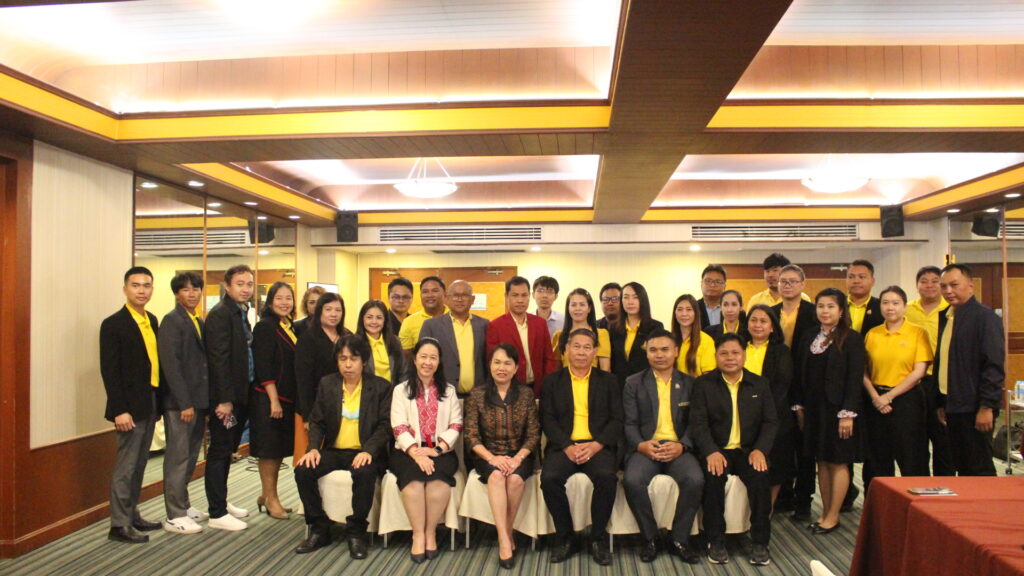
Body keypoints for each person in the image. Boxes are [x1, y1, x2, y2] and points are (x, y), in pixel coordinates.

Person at [293, 335, 392, 559]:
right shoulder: (328, 384)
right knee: (303, 470)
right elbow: (317, 421)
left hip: (364, 451)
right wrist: (313, 448)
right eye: (342, 358)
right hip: (334, 451)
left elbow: (385, 426)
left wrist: (368, 450)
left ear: (363, 361)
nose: (348, 364)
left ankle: (356, 531)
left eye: (353, 359)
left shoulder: (380, 387)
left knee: (365, 472)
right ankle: (319, 527)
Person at [690, 333, 777, 566]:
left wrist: (760, 450)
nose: (730, 358)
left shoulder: (760, 384)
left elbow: (770, 422)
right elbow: (698, 423)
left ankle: (760, 542)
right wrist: (710, 451)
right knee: (713, 478)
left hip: (749, 450)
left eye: (735, 353)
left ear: (744, 356)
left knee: (760, 477)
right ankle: (716, 541)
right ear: (716, 356)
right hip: (717, 449)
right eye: (724, 353)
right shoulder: (703, 384)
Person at [540, 329, 622, 565]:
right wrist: (567, 446)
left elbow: (617, 420)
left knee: (607, 477)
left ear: (595, 352)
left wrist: (596, 445)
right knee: (549, 479)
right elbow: (547, 419)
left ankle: (597, 538)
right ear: (566, 350)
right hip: (564, 446)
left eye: (587, 347)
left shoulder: (608, 381)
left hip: (597, 446)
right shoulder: (552, 381)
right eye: (576, 346)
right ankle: (566, 537)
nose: (581, 352)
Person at [622, 328, 703, 564]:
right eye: (653, 350)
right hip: (646, 446)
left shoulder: (690, 383)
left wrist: (682, 446)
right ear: (646, 353)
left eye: (665, 349)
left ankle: (680, 538)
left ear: (676, 351)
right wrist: (641, 445)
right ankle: (650, 538)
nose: (659, 355)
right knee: (632, 480)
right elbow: (629, 423)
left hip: (678, 448)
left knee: (695, 479)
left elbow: (695, 423)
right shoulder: (633, 383)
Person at [792, 288, 865, 535]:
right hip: (814, 409)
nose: (825, 311)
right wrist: (799, 406)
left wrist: (848, 413)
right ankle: (824, 512)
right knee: (821, 460)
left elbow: (855, 378)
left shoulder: (852, 338)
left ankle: (833, 516)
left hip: (838, 411)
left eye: (831, 306)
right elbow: (800, 373)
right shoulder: (809, 336)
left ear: (841, 310)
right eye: (821, 306)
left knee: (838, 461)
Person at [100, 267, 163, 544]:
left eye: (146, 286)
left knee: (140, 463)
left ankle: (132, 514)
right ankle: (119, 524)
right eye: (136, 285)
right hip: (128, 407)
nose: (141, 290)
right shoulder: (113, 324)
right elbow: (110, 372)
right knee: (126, 466)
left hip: (150, 400)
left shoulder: (151, 320)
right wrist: (119, 410)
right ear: (125, 289)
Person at [463, 344, 540, 570]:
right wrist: (492, 459)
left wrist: (518, 458)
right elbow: (471, 435)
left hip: (519, 454)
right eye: (497, 362)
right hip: (487, 455)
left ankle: (505, 532)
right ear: (490, 365)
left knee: (515, 479)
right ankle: (505, 539)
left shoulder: (526, 394)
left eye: (507, 363)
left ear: (516, 368)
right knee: (497, 477)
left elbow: (534, 434)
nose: (501, 368)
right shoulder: (477, 394)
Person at [390, 338, 463, 563]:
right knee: (413, 479)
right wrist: (415, 453)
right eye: (423, 356)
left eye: (433, 358)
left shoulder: (449, 391)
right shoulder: (400, 390)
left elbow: (456, 424)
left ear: (439, 362)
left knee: (437, 481)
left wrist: (438, 450)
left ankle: (430, 532)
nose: (427, 362)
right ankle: (418, 535)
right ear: (414, 359)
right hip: (407, 452)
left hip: (440, 451)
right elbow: (398, 426)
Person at [935, 263, 1005, 476]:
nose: (948, 291)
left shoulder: (985, 317)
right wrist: (941, 402)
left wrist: (987, 406)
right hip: (952, 404)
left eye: (954, 285)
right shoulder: (947, 316)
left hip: (974, 407)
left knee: (979, 468)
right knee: (962, 466)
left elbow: (993, 365)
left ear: (971, 286)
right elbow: (944, 362)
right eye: (944, 286)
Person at [204, 264, 257, 531]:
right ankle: (216, 512)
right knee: (220, 450)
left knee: (228, 450)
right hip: (226, 401)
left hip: (241, 395)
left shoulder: (240, 312)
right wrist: (224, 401)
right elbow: (218, 361)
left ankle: (222, 502)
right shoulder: (220, 315)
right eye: (240, 284)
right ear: (227, 286)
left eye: (249, 284)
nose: (245, 289)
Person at [862, 286, 933, 485]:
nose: (890, 307)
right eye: (885, 303)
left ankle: (916, 500)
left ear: (904, 306)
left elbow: (919, 371)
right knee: (876, 458)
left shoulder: (917, 333)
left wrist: (889, 396)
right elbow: (863, 370)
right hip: (875, 399)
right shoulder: (872, 334)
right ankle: (878, 502)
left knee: (911, 455)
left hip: (907, 399)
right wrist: (876, 397)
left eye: (895, 303)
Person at [157, 271, 209, 535]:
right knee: (177, 458)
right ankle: (174, 514)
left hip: (198, 401)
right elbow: (171, 366)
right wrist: (184, 403)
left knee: (190, 457)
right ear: (177, 293)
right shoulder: (171, 320)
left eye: (196, 289)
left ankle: (184, 505)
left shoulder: (196, 319)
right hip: (180, 404)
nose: (192, 294)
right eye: (186, 289)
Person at [771, 264, 819, 521]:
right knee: (780, 445)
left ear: (802, 284)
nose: (787, 285)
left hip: (804, 385)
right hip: (777, 387)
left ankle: (803, 501)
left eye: (792, 281)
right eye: (783, 281)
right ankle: (783, 496)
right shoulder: (771, 312)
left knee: (804, 448)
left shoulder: (813, 313)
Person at [250, 281, 298, 520]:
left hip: (285, 398)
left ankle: (267, 494)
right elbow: (264, 365)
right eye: (279, 298)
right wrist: (274, 400)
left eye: (288, 298)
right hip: (269, 399)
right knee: (269, 451)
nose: (284, 302)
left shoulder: (288, 326)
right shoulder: (265, 327)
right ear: (269, 302)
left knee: (278, 450)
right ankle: (271, 499)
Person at [743, 305, 794, 509]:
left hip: (773, 417)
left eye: (763, 321)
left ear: (773, 327)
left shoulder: (781, 351)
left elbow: (781, 386)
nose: (758, 325)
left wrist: (760, 412)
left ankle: (766, 512)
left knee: (774, 468)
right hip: (740, 417)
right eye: (753, 320)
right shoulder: (738, 348)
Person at [904, 265, 954, 476]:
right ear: (917, 285)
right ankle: (919, 484)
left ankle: (945, 483)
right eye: (924, 281)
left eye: (935, 281)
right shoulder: (907, 309)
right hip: (913, 382)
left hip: (941, 381)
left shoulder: (950, 310)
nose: (929, 285)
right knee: (915, 440)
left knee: (943, 438)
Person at [486, 276, 557, 394]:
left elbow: (548, 358)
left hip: (539, 388)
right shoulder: (496, 326)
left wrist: (547, 385)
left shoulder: (540, 323)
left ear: (529, 296)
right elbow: (492, 362)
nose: (520, 300)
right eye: (515, 295)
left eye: (524, 295)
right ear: (506, 296)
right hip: (509, 390)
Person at [420, 280, 489, 396]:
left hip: (478, 396)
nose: (460, 299)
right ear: (446, 298)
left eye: (464, 295)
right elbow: (423, 362)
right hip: (442, 395)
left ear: (472, 299)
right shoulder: (431, 326)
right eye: (455, 295)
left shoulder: (484, 325)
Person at [295, 292, 350, 421]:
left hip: (345, 405)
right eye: (328, 309)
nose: (334, 314)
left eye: (338, 310)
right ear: (319, 311)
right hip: (316, 404)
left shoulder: (348, 337)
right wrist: (307, 416)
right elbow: (303, 380)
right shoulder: (307, 339)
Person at [609, 282, 665, 386]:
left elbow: (658, 360)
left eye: (635, 297)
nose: (630, 302)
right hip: (619, 385)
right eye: (626, 297)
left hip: (645, 385)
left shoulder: (655, 327)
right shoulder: (613, 328)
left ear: (643, 300)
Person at [552, 288, 612, 372]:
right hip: (566, 380)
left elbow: (605, 370)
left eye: (582, 305)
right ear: (568, 308)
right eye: (573, 305)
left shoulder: (600, 334)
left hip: (593, 380)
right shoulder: (559, 335)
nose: (577, 308)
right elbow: (556, 370)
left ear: (589, 308)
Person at [356, 299, 406, 385]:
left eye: (379, 318)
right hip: (366, 391)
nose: (374, 322)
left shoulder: (395, 341)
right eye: (369, 317)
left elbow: (403, 372)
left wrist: (399, 391)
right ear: (362, 319)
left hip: (392, 391)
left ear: (385, 320)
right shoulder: (355, 343)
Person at [670, 294, 716, 378]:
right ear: (675, 314)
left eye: (689, 309)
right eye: (680, 309)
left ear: (695, 313)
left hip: (697, 385)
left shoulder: (706, 341)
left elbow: (708, 377)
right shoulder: (668, 340)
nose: (684, 314)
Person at [398, 276, 448, 352]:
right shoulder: (409, 322)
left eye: (434, 291)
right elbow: (406, 355)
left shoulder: (454, 318)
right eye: (425, 292)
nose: (430, 295)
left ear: (445, 294)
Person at [846, 259, 883, 335]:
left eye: (862, 277)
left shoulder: (881, 307)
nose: (856, 281)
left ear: (872, 281)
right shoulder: (838, 304)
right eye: (851, 277)